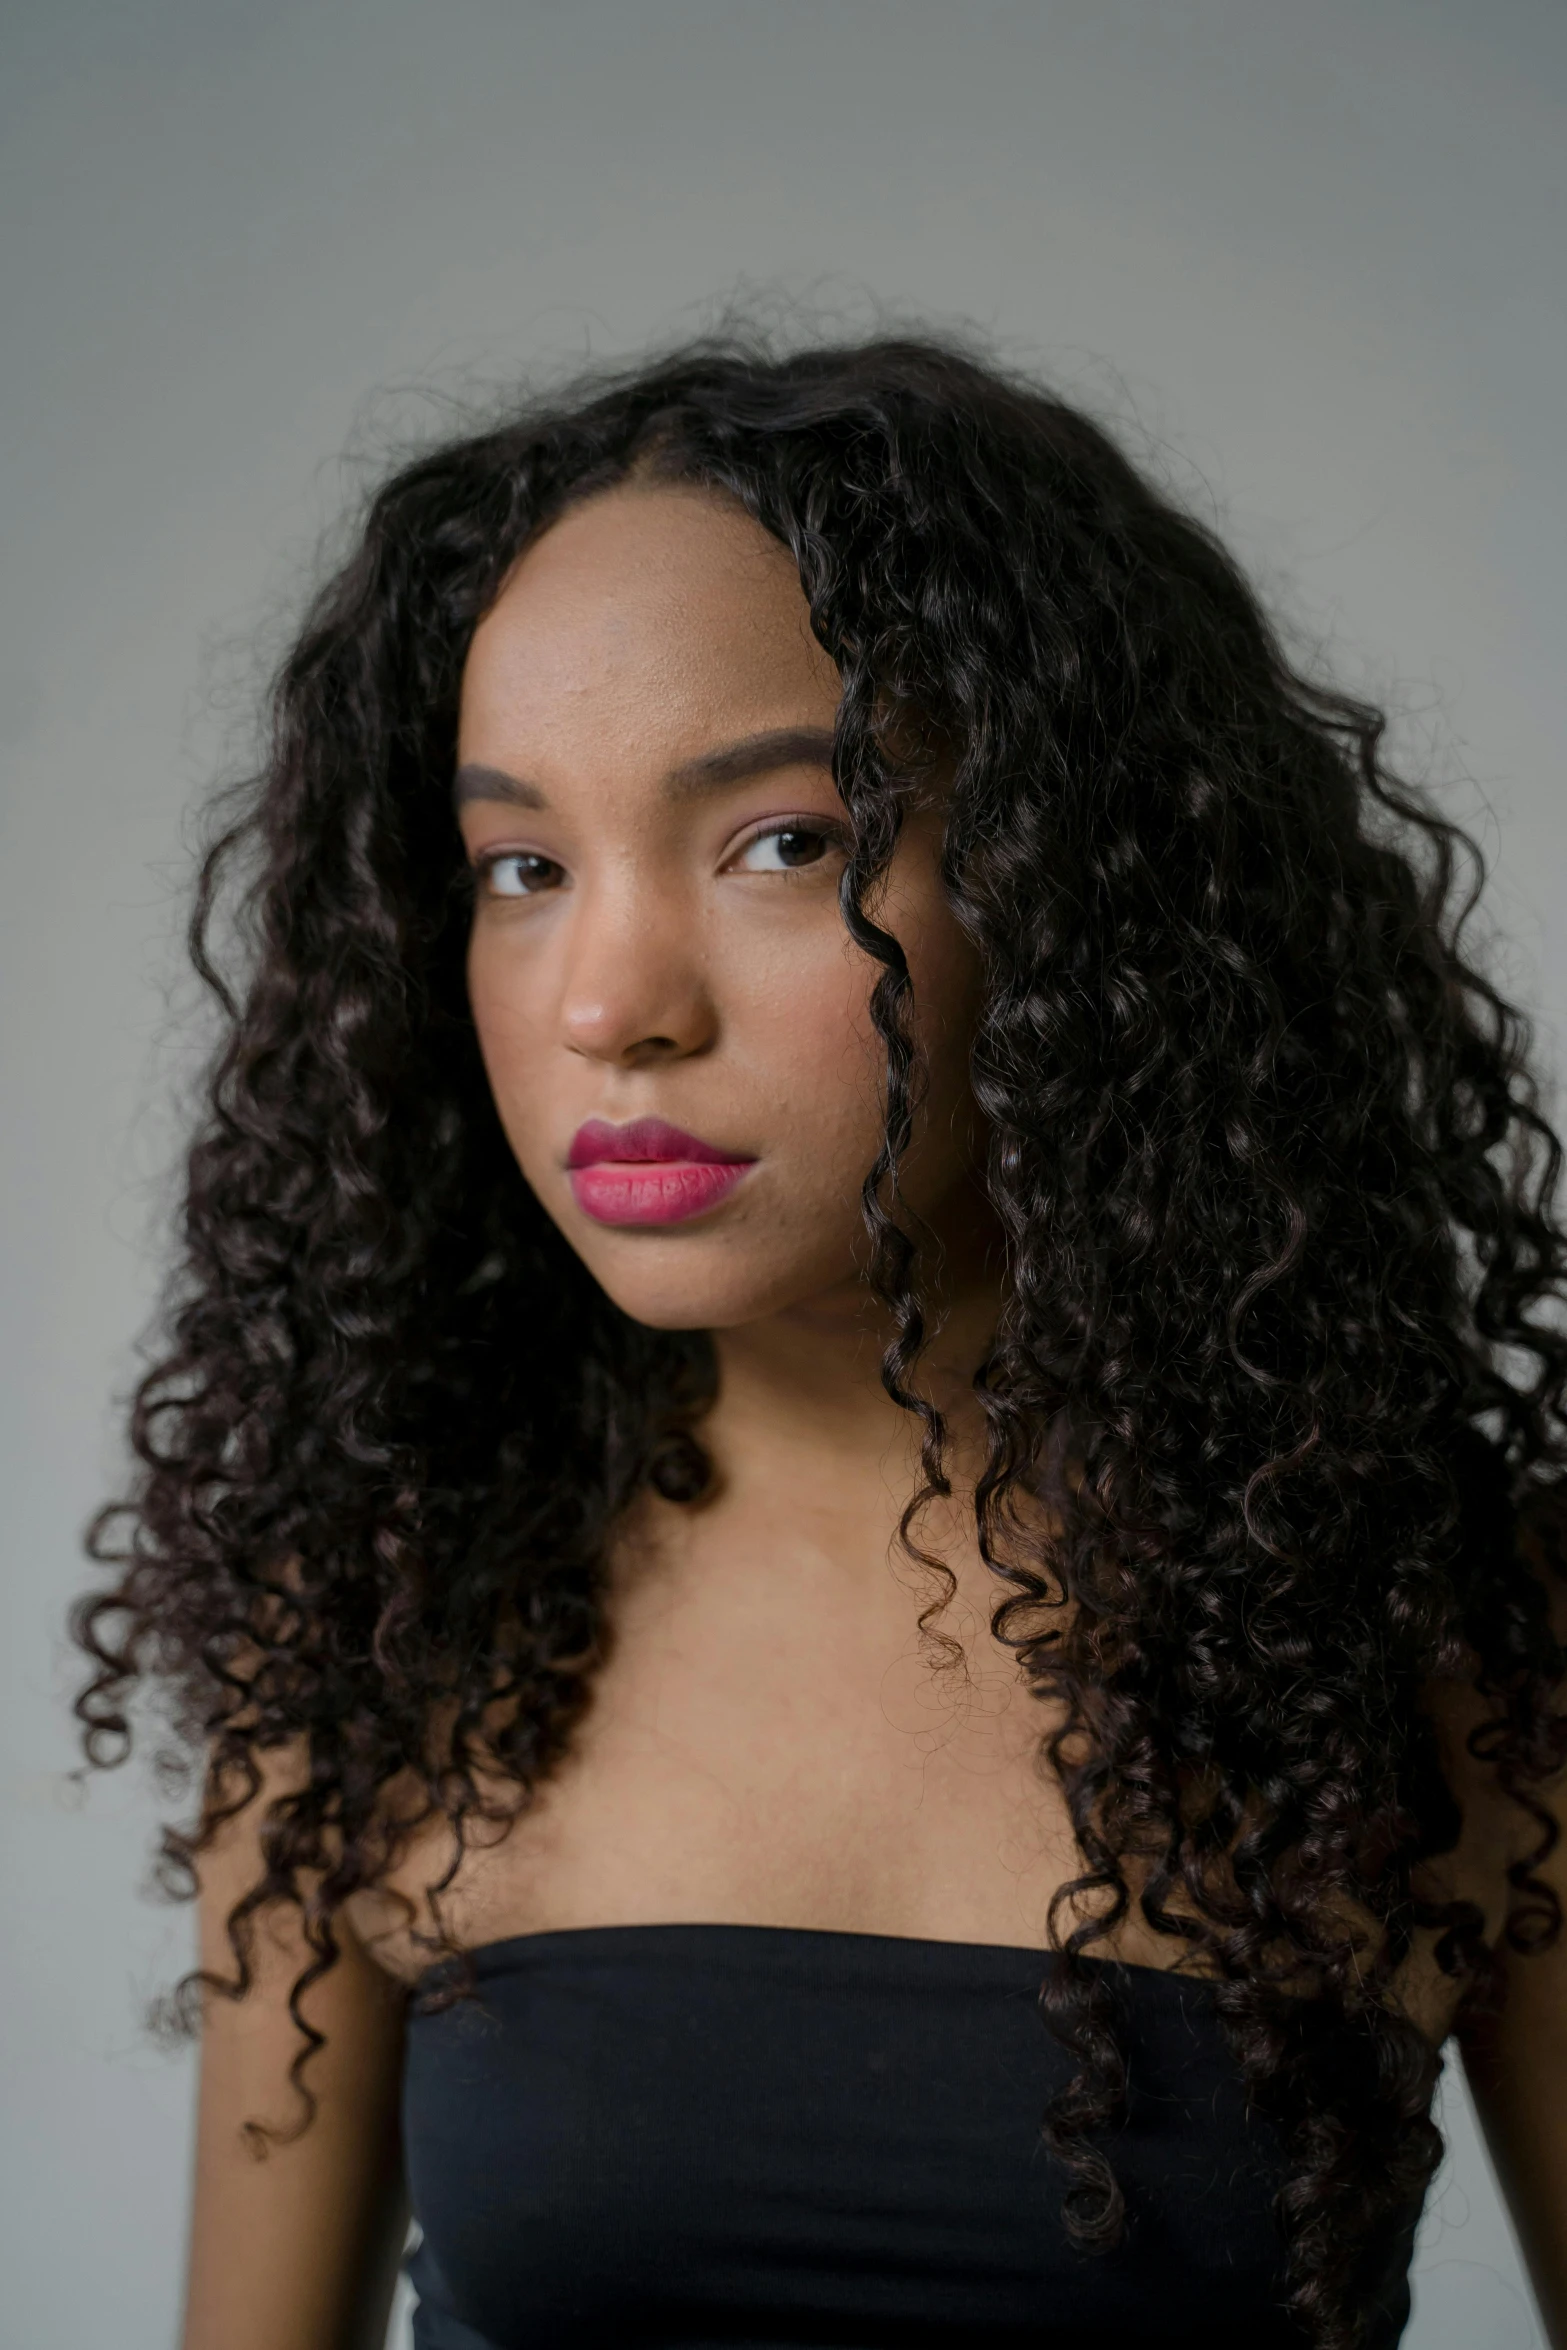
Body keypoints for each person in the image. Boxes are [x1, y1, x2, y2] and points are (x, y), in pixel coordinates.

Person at [75, 333, 1567, 2350]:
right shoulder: (378, 1628)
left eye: (780, 839)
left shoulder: (1443, 1638)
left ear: (1063, 881)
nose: (612, 1000)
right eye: (522, 866)